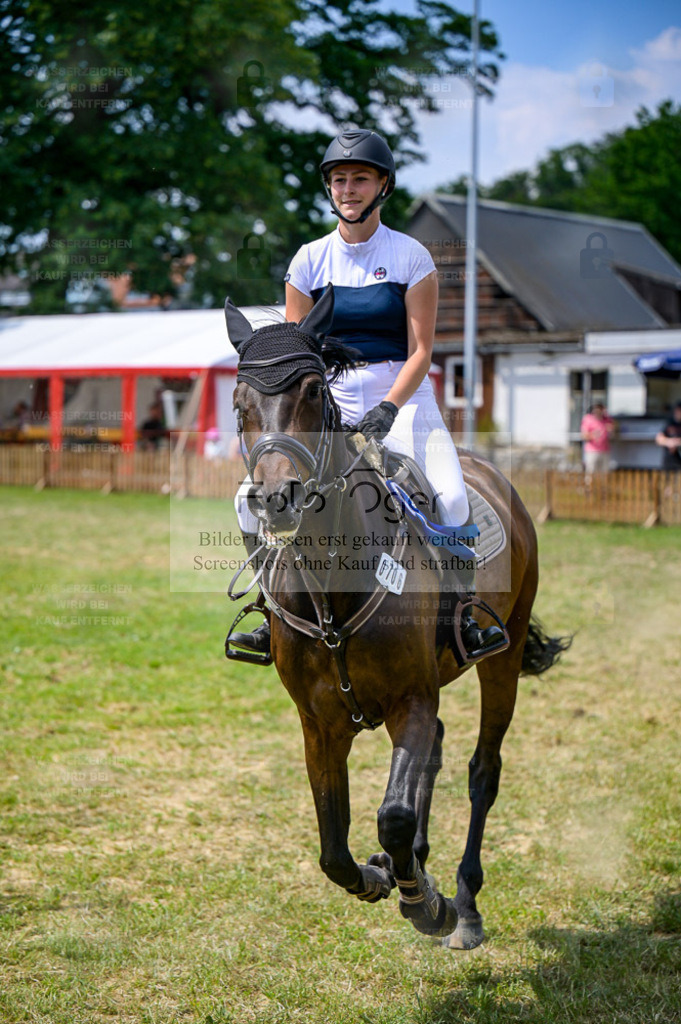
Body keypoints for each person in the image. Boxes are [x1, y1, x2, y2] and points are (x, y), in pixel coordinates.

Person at [230, 128, 506, 661]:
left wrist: (388, 408)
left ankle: (464, 615)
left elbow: (422, 350)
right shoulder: (308, 258)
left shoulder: (411, 256)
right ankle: (268, 614)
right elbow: (294, 352)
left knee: (449, 498)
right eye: (339, 180)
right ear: (329, 190)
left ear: (383, 186)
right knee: (251, 501)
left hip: (402, 397)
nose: (347, 189)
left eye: (359, 178)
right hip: (325, 401)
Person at [580, 402, 614, 476]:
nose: (598, 413)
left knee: (604, 473)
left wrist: (611, 430)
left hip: (605, 450)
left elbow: (613, 431)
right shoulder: (588, 419)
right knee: (591, 472)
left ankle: (602, 487)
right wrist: (593, 435)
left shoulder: (607, 419)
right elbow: (583, 435)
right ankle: (589, 487)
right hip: (592, 451)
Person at [655, 401, 681, 470]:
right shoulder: (669, 422)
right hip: (669, 461)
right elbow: (659, 439)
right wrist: (669, 442)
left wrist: (677, 442)